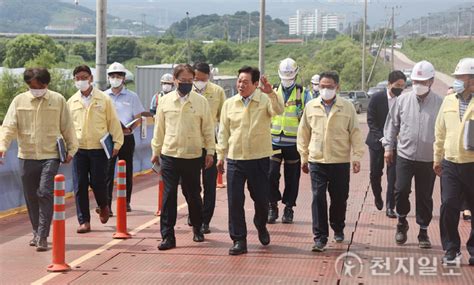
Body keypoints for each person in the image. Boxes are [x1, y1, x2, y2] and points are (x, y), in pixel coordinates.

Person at [0, 68, 78, 251]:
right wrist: (2, 146)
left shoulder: (58, 100)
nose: (36, 90)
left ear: (46, 84)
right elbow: (8, 126)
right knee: (31, 196)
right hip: (26, 155)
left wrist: (72, 149)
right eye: (32, 87)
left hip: (50, 155)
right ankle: (36, 231)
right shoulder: (18, 101)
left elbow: (68, 126)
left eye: (39, 86)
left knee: (44, 192)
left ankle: (43, 235)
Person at [217, 66, 284, 255]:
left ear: (255, 84)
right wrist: (220, 156)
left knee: (261, 200)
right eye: (239, 81)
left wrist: (271, 93)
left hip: (259, 159)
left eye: (246, 82)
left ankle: (260, 225)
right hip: (236, 159)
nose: (241, 85)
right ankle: (239, 239)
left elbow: (279, 110)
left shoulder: (264, 100)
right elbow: (223, 132)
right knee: (235, 201)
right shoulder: (230, 104)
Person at [297, 71, 364, 252]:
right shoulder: (311, 106)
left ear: (337, 87)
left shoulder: (347, 107)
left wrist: (356, 156)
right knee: (318, 197)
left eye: (329, 87)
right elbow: (303, 133)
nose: (325, 90)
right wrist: (303, 157)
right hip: (317, 160)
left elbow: (355, 133)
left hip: (340, 161)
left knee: (339, 198)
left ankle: (338, 226)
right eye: (322, 86)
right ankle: (320, 237)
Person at [151, 64, 215, 250]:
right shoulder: (165, 101)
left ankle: (197, 227)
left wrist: (210, 151)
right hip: (170, 154)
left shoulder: (200, 101)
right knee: (169, 195)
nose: (186, 84)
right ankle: (168, 236)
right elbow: (159, 128)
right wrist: (155, 151)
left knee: (193, 194)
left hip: (193, 155)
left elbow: (208, 129)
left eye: (190, 81)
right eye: (182, 81)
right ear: (175, 80)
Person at [383, 60, 443, 249]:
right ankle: (402, 222)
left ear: (431, 81)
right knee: (400, 190)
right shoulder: (402, 100)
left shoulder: (440, 103)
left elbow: (444, 130)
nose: (418, 85)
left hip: (428, 158)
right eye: (416, 81)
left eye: (423, 82)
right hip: (404, 155)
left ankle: (423, 231)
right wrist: (388, 148)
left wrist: (441, 157)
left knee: (425, 196)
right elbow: (392, 125)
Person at [68, 65, 124, 234]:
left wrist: (117, 143)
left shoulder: (103, 99)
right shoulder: (71, 102)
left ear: (91, 78)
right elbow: (66, 126)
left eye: (84, 77)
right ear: (74, 80)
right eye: (77, 78)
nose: (81, 81)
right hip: (79, 149)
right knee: (80, 185)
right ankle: (84, 220)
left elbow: (113, 122)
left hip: (99, 148)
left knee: (98, 182)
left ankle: (103, 205)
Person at [433, 57, 474, 266]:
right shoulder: (449, 100)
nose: (457, 80)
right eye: (456, 76)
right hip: (450, 162)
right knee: (448, 205)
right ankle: (451, 249)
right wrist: (436, 157)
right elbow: (439, 130)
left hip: (472, 163)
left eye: (461, 77)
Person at [268, 58, 312, 224]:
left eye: (290, 77)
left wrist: (306, 146)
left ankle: (288, 208)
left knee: (292, 177)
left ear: (296, 75)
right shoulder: (271, 91)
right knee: (271, 174)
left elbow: (308, 121)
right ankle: (272, 205)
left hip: (294, 143)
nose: (287, 81)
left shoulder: (304, 93)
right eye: (284, 77)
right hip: (273, 141)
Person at [104, 62, 145, 214]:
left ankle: (126, 201)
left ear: (123, 78)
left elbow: (138, 117)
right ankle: (106, 204)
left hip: (127, 137)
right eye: (112, 76)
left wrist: (129, 128)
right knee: (107, 171)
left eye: (118, 76)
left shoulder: (132, 96)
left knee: (126, 170)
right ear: (108, 78)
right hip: (109, 138)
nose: (115, 78)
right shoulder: (103, 96)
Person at [366, 70, 406, 218]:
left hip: (396, 145)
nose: (400, 88)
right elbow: (371, 121)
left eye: (403, 86)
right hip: (377, 143)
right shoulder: (377, 98)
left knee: (393, 176)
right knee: (375, 173)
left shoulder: (404, 99)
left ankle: (390, 206)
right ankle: (377, 195)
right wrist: (383, 139)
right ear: (389, 84)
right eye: (397, 85)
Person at [191, 62, 226, 234]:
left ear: (209, 77)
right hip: (190, 143)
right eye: (196, 79)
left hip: (210, 143)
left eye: (203, 79)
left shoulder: (217, 92)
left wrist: (221, 150)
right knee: (191, 185)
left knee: (209, 185)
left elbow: (224, 120)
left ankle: (205, 220)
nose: (199, 82)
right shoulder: (186, 91)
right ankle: (194, 211)